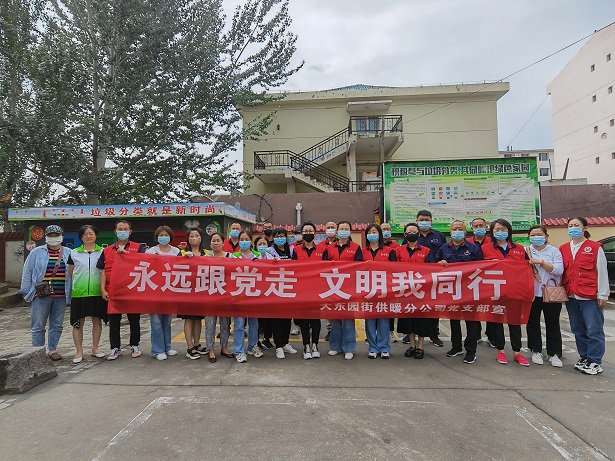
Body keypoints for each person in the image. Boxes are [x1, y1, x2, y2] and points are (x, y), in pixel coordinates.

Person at [560, 217, 609, 375]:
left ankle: (595, 361)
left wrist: (603, 294)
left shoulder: (594, 247)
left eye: (577, 225)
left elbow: (601, 271)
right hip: (571, 296)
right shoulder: (564, 248)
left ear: (585, 228)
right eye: (570, 225)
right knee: (578, 329)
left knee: (594, 330)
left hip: (590, 296)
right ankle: (584, 357)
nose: (573, 228)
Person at [480, 219, 530, 366]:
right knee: (497, 321)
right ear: (492, 232)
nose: (500, 232)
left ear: (509, 231)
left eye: (503, 229)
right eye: (497, 229)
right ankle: (500, 351)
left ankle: (517, 352)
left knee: (515, 322)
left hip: (515, 290)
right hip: (495, 290)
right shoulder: (485, 248)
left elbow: (526, 268)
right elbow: (478, 268)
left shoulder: (519, 248)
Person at [20, 225, 72, 361]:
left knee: (57, 325)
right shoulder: (36, 252)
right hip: (41, 295)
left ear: (62, 237)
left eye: (56, 235)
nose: (54, 238)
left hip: (61, 296)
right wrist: (26, 292)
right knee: (38, 325)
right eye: (51, 236)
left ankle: (52, 349)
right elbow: (27, 272)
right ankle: (38, 352)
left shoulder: (69, 252)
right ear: (46, 237)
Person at [435, 220, 483, 364]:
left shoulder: (473, 249)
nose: (457, 231)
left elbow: (482, 267)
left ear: (465, 232)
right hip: (451, 290)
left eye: (460, 229)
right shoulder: (444, 248)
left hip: (469, 289)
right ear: (450, 232)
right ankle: (456, 347)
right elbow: (434, 266)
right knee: (454, 319)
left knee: (471, 320)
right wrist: (439, 264)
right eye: (454, 229)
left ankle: (471, 350)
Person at [98, 220, 144, 360]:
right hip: (112, 291)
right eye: (120, 229)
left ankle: (134, 345)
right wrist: (103, 290)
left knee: (134, 320)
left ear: (130, 232)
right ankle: (115, 348)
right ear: (115, 231)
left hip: (132, 290)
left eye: (125, 229)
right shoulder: (106, 250)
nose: (122, 231)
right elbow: (103, 271)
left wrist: (127, 255)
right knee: (114, 320)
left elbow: (144, 264)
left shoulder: (138, 247)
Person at [323, 220, 363, 360]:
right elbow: (323, 266)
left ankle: (349, 348)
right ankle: (335, 346)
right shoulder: (329, 248)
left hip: (349, 288)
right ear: (337, 231)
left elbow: (359, 267)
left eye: (346, 229)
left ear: (350, 231)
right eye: (341, 229)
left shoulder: (356, 248)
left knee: (348, 318)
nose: (343, 231)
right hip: (333, 287)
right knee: (335, 318)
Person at [525, 225, 564, 367]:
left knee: (553, 323)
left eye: (539, 234)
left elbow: (559, 270)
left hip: (551, 293)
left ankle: (554, 354)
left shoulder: (554, 251)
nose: (536, 237)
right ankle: (536, 350)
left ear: (546, 236)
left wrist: (541, 263)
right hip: (532, 294)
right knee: (532, 323)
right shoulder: (526, 251)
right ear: (529, 237)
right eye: (533, 235)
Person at [395, 223, 434, 360]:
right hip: (405, 290)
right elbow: (392, 269)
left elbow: (432, 269)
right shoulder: (398, 250)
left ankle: (420, 346)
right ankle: (411, 345)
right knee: (408, 319)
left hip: (421, 291)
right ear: (404, 234)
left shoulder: (427, 251)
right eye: (409, 232)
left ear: (418, 233)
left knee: (421, 319)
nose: (411, 234)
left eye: (414, 231)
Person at [68, 225, 106, 363]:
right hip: (79, 293)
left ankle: (95, 349)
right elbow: (71, 273)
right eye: (85, 234)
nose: (88, 236)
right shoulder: (74, 253)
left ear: (96, 235)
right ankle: (79, 351)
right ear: (81, 237)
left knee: (97, 320)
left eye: (91, 233)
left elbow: (104, 271)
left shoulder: (103, 252)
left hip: (97, 292)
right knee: (78, 323)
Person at [145, 226, 180, 360]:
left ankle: (167, 347)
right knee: (156, 321)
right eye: (161, 235)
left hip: (170, 290)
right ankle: (157, 350)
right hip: (155, 291)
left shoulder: (176, 251)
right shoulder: (150, 251)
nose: (163, 237)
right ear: (157, 237)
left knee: (167, 320)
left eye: (166, 235)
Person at [362, 224, 396, 359]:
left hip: (384, 290)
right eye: (369, 232)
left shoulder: (389, 251)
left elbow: (395, 269)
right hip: (367, 290)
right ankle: (373, 348)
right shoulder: (362, 251)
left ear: (379, 234)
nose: (372, 234)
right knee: (370, 320)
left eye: (374, 232)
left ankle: (384, 347)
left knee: (383, 320)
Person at [291, 221, 323, 359]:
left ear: (315, 233)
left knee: (315, 319)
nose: (308, 233)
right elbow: (292, 268)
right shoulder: (296, 250)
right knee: (304, 319)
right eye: (306, 231)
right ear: (302, 233)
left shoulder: (322, 249)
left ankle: (315, 344)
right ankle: (306, 346)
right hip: (302, 289)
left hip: (317, 289)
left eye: (310, 231)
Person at [415, 210, 447, 347]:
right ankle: (412, 332)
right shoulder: (413, 235)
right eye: (421, 219)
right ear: (417, 221)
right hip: (416, 277)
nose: (424, 222)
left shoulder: (439, 236)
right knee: (414, 305)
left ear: (431, 221)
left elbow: (445, 252)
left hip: (435, 276)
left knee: (434, 305)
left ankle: (434, 334)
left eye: (427, 220)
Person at [232, 230, 264, 363]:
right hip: (239, 294)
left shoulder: (258, 255)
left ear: (251, 241)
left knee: (254, 323)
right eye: (242, 239)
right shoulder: (233, 256)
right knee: (239, 324)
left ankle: (252, 346)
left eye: (246, 239)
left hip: (254, 293)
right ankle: (239, 351)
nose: (244, 242)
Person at [204, 232, 236, 362]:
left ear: (223, 243)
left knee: (225, 323)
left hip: (225, 295)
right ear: (210, 243)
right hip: (210, 295)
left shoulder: (231, 257)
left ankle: (224, 347)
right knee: (209, 323)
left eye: (218, 240)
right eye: (213, 241)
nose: (216, 243)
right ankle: (211, 349)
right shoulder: (205, 257)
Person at [267, 227, 298, 359]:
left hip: (289, 287)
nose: (280, 238)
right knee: (276, 318)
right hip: (275, 287)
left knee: (287, 318)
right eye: (277, 236)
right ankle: (278, 346)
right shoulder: (269, 251)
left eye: (282, 236)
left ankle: (285, 343)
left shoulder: (292, 250)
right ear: (273, 238)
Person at [179, 227, 208, 360]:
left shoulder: (206, 253)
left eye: (197, 235)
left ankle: (197, 344)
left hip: (201, 291)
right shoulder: (182, 253)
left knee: (198, 319)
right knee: (189, 319)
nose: (194, 238)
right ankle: (190, 347)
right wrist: (184, 258)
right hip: (186, 291)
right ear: (188, 239)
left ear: (201, 238)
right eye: (191, 236)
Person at [467, 217, 492, 345]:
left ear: (486, 227)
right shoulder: (467, 243)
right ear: (471, 228)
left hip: (490, 279)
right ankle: (476, 335)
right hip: (472, 280)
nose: (478, 228)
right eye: (475, 226)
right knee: (474, 309)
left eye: (481, 226)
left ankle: (492, 336)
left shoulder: (492, 241)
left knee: (491, 308)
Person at [317, 221, 338, 341]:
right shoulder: (320, 246)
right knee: (328, 306)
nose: (330, 229)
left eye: (332, 227)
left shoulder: (342, 243)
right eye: (328, 227)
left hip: (341, 279)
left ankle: (339, 329)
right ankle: (330, 330)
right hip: (326, 280)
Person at [381, 222, 400, 343]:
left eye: (388, 229)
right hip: (377, 280)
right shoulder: (375, 244)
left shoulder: (396, 245)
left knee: (390, 307)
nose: (386, 231)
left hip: (391, 280)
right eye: (383, 229)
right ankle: (376, 332)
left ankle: (390, 331)